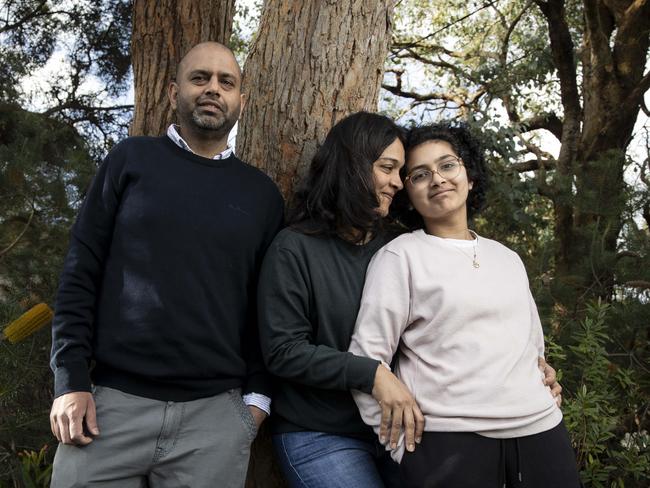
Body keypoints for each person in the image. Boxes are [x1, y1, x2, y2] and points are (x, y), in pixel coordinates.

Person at [257, 113, 561, 488]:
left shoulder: (399, 245)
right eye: (388, 168)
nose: (397, 183)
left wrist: (528, 375)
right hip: (324, 431)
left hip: (404, 426)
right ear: (352, 166)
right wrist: (372, 373)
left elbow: (450, 329)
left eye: (402, 172)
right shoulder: (294, 249)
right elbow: (283, 350)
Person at [48, 42, 284, 488]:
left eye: (226, 82)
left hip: (213, 421)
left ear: (241, 101)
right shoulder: (130, 160)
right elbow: (81, 272)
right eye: (200, 78)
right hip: (108, 410)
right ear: (175, 91)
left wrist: (255, 406)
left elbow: (267, 307)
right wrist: (70, 380)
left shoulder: (262, 195)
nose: (213, 88)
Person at [349, 122, 581, 487]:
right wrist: (400, 449)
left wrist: (546, 384)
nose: (437, 179)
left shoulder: (508, 258)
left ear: (469, 176)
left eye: (447, 165)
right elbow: (366, 362)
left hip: (542, 433)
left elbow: (533, 348)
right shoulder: (400, 257)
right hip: (448, 444)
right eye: (420, 174)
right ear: (409, 194)